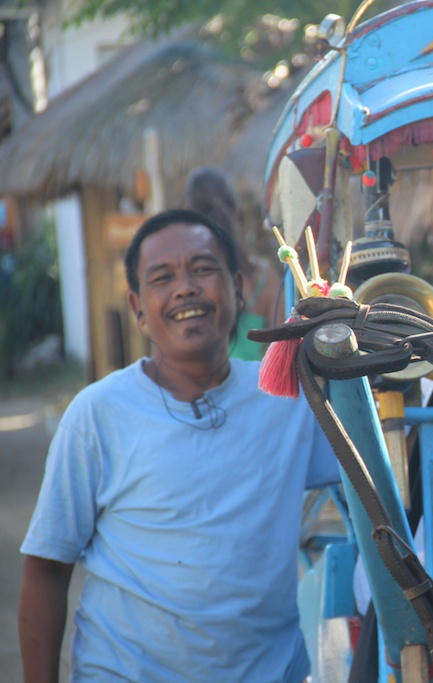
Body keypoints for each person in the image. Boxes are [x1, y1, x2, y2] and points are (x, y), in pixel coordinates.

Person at [19, 209, 339, 683]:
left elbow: (378, 474)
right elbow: (47, 566)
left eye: (203, 269)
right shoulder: (98, 413)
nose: (185, 287)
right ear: (138, 309)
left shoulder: (290, 399)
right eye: (162, 277)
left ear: (237, 287)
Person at [185, 166, 284, 360]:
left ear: (190, 215)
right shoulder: (264, 277)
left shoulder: (184, 281)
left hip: (199, 389)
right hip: (255, 388)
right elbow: (283, 353)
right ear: (237, 211)